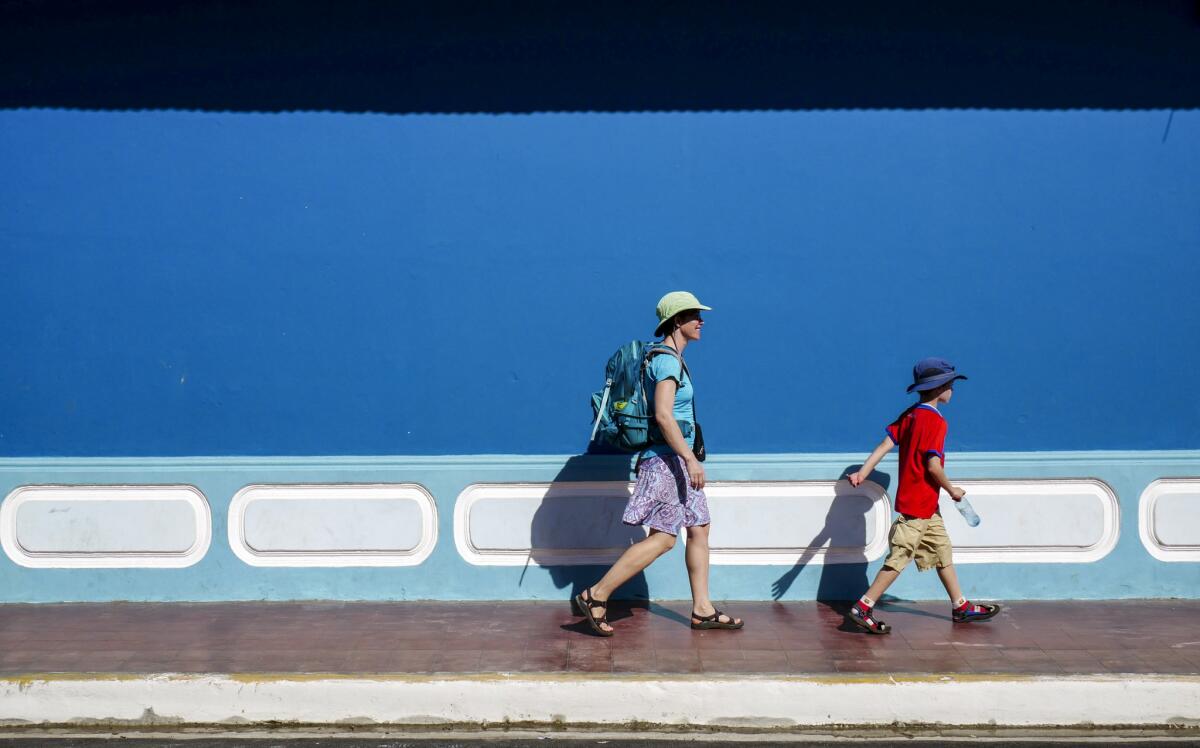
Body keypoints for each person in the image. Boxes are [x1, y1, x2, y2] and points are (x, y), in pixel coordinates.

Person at [574, 291, 743, 637]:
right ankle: (597, 594)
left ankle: (702, 609)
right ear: (678, 321)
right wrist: (690, 458)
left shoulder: (671, 359)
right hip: (667, 461)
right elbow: (664, 416)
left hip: (675, 460)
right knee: (665, 538)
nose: (701, 321)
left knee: (699, 528)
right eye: (695, 315)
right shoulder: (665, 361)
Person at [844, 358, 1000, 634]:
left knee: (942, 551)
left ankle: (960, 606)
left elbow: (885, 443)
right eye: (951, 385)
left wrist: (863, 472)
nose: (953, 390)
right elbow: (933, 466)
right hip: (918, 508)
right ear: (941, 388)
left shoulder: (911, 415)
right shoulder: (937, 423)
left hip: (927, 507)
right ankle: (863, 606)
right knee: (900, 557)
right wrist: (953, 490)